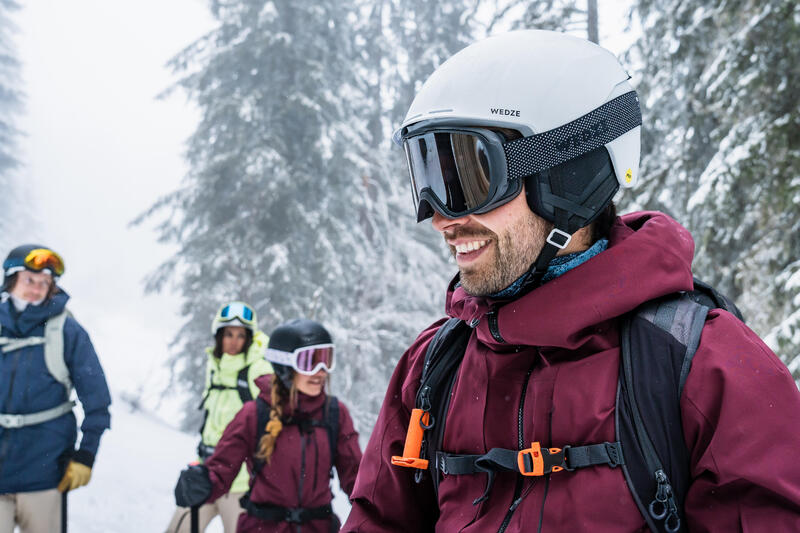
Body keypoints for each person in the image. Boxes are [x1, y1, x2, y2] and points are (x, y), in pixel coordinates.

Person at [341, 30, 800, 532]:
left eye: (467, 181)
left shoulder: (702, 364)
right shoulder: (433, 368)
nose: (440, 218)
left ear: (568, 177)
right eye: (427, 181)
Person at [174, 318, 363, 532]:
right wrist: (202, 483)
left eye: (326, 359)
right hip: (263, 527)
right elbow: (222, 468)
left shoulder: (335, 414)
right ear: (284, 365)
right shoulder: (254, 414)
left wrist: (377, 505)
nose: (321, 371)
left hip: (318, 527)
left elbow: (357, 477)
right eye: (310, 361)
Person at [0, 244, 111, 532]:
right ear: (10, 279)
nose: (36, 289)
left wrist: (86, 456)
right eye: (29, 280)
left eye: (45, 283)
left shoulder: (68, 331)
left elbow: (97, 402)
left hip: (44, 476)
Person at [166, 301, 273, 533]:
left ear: (249, 338)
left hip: (241, 484)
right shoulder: (214, 366)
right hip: (207, 475)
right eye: (228, 334)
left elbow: (275, 415)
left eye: (240, 335)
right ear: (219, 336)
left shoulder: (258, 370)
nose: (233, 341)